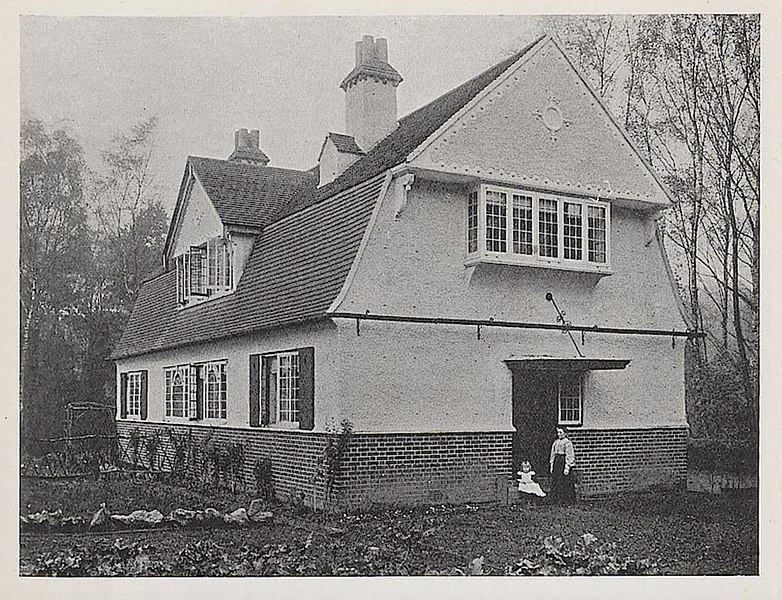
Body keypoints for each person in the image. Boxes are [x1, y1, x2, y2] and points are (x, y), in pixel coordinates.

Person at [549, 427, 576, 504]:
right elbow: (553, 453)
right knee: (556, 480)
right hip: (557, 462)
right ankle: (555, 499)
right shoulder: (556, 442)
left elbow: (569, 455)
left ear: (565, 433)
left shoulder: (567, 443)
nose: (559, 434)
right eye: (558, 433)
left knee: (564, 481)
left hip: (563, 462)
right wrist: (552, 464)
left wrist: (567, 466)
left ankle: (565, 499)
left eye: (561, 433)